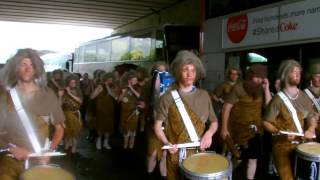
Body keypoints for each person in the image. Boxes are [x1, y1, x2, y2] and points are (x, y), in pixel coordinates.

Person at [0, 48, 65, 179]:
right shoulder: (5, 97)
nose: (28, 68)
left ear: (37, 69)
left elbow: (60, 129)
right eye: (23, 64)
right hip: (11, 159)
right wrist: (11, 148)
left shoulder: (48, 95)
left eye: (31, 65)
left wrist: (50, 151)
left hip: (39, 159)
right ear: (15, 68)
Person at [154, 50, 218, 180]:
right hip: (176, 153)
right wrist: (167, 142)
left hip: (198, 153)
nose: (189, 74)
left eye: (193, 71)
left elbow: (214, 122)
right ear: (178, 72)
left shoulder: (204, 95)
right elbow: (157, 126)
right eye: (185, 70)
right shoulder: (168, 97)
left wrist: (209, 134)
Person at [264, 59, 318, 179]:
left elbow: (311, 116)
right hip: (282, 146)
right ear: (285, 74)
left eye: (299, 72)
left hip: (301, 144)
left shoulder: (303, 97)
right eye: (294, 72)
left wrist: (311, 128)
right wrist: (278, 132)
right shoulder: (277, 100)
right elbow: (266, 122)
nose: (298, 74)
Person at [221, 64, 272, 180]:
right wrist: (224, 128)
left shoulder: (261, 89)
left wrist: (266, 89)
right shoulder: (239, 88)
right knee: (237, 158)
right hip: (238, 129)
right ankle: (224, 177)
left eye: (262, 77)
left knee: (253, 158)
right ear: (250, 76)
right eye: (257, 77)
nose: (260, 79)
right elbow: (226, 107)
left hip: (256, 130)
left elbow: (268, 107)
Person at [144, 61, 169, 179]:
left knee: (165, 153)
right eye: (158, 71)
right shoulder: (147, 86)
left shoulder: (170, 85)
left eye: (163, 71)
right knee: (153, 153)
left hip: (168, 124)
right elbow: (142, 102)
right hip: (153, 123)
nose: (161, 74)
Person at [210, 67, 241, 153]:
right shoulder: (224, 85)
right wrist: (221, 101)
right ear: (229, 75)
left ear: (238, 75)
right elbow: (213, 95)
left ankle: (233, 153)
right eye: (232, 73)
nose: (234, 75)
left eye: (236, 74)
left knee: (236, 133)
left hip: (238, 113)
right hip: (226, 113)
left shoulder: (241, 85)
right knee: (226, 132)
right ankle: (224, 153)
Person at [90, 72, 117, 150]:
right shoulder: (100, 86)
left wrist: (107, 86)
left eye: (111, 80)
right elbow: (92, 97)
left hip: (110, 111)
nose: (110, 81)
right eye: (108, 80)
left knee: (109, 127)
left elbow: (114, 96)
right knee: (100, 127)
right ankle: (98, 141)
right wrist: (97, 91)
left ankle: (106, 142)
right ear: (105, 79)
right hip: (100, 111)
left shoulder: (113, 87)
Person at [118, 70, 141, 149]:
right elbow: (118, 100)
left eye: (136, 80)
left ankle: (131, 146)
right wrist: (123, 93)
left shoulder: (138, 88)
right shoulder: (123, 88)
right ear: (129, 80)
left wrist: (131, 88)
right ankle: (125, 146)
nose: (136, 81)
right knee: (126, 130)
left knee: (133, 131)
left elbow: (139, 97)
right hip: (125, 113)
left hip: (135, 112)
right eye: (134, 80)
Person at [61, 74, 83, 154]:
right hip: (66, 114)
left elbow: (80, 101)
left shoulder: (78, 91)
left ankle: (74, 149)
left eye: (74, 82)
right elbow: (60, 103)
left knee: (75, 133)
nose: (72, 84)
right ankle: (66, 147)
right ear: (68, 83)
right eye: (71, 82)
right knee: (67, 133)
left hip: (75, 115)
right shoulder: (64, 92)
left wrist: (70, 93)